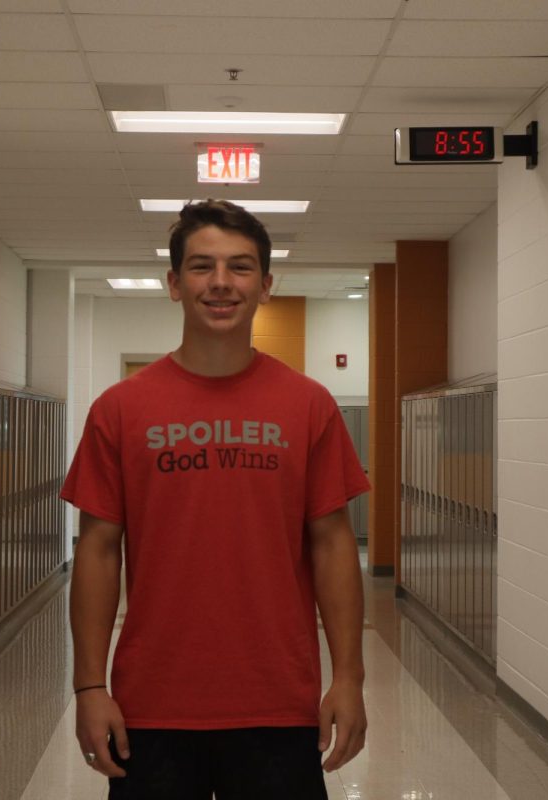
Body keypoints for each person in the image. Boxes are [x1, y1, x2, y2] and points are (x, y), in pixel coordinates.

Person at [60, 198, 371, 799]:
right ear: (173, 284)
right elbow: (98, 550)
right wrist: (89, 687)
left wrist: (349, 678)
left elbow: (333, 545)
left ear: (266, 285)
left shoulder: (308, 405)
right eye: (202, 267)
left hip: (279, 704)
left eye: (241, 267)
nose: (221, 283)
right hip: (152, 707)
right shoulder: (121, 410)